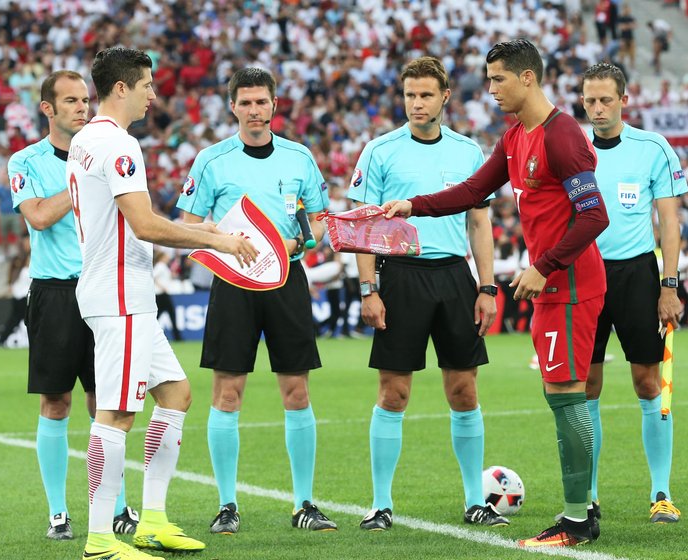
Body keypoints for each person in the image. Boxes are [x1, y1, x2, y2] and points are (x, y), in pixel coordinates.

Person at [381, 39, 609, 548]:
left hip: (570, 285)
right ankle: (582, 509)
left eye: (498, 80)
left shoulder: (563, 134)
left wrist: (544, 266)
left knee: (567, 398)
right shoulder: (514, 137)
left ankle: (577, 520)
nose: (491, 90)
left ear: (527, 78)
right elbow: (470, 192)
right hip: (551, 285)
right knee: (562, 396)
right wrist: (411, 206)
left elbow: (595, 215)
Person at [67, 46, 257, 560]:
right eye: (148, 85)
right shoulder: (120, 146)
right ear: (123, 88)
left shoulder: (87, 139)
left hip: (125, 293)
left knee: (175, 394)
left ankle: (151, 521)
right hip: (120, 297)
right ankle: (101, 540)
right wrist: (215, 242)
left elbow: (135, 226)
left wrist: (199, 228)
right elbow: (145, 224)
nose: (155, 94)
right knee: (116, 415)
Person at [177, 67, 337, 535]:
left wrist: (298, 244)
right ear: (232, 107)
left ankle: (304, 503)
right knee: (227, 394)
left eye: (261, 102)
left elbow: (321, 219)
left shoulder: (299, 157)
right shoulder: (211, 160)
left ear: (273, 105)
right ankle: (227, 505)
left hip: (287, 279)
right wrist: (224, 243)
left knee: (297, 391)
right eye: (245, 103)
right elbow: (186, 224)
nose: (254, 111)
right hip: (233, 284)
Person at [347, 56, 501, 531]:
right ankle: (380, 504)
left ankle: (476, 500)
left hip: (455, 277)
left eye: (426, 95)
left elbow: (479, 221)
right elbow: (363, 227)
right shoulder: (379, 150)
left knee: (464, 390)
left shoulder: (468, 151)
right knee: (393, 393)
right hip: (400, 278)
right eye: (410, 94)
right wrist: (369, 289)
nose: (417, 103)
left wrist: (487, 286)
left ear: (445, 97)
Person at [7, 70, 139, 542]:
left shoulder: (109, 149)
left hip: (104, 286)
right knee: (56, 401)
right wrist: (82, 179)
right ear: (48, 109)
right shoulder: (25, 160)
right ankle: (59, 512)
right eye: (70, 101)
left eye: (85, 99)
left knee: (107, 402)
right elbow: (39, 216)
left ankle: (120, 507)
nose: (83, 107)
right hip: (56, 293)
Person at [580, 62, 685, 523]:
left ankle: (660, 493)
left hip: (638, 276)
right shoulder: (572, 149)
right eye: (589, 101)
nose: (597, 109)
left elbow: (669, 221)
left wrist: (669, 284)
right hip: (583, 274)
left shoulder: (654, 148)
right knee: (586, 387)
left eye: (605, 100)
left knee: (649, 383)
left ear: (625, 100)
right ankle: (588, 494)